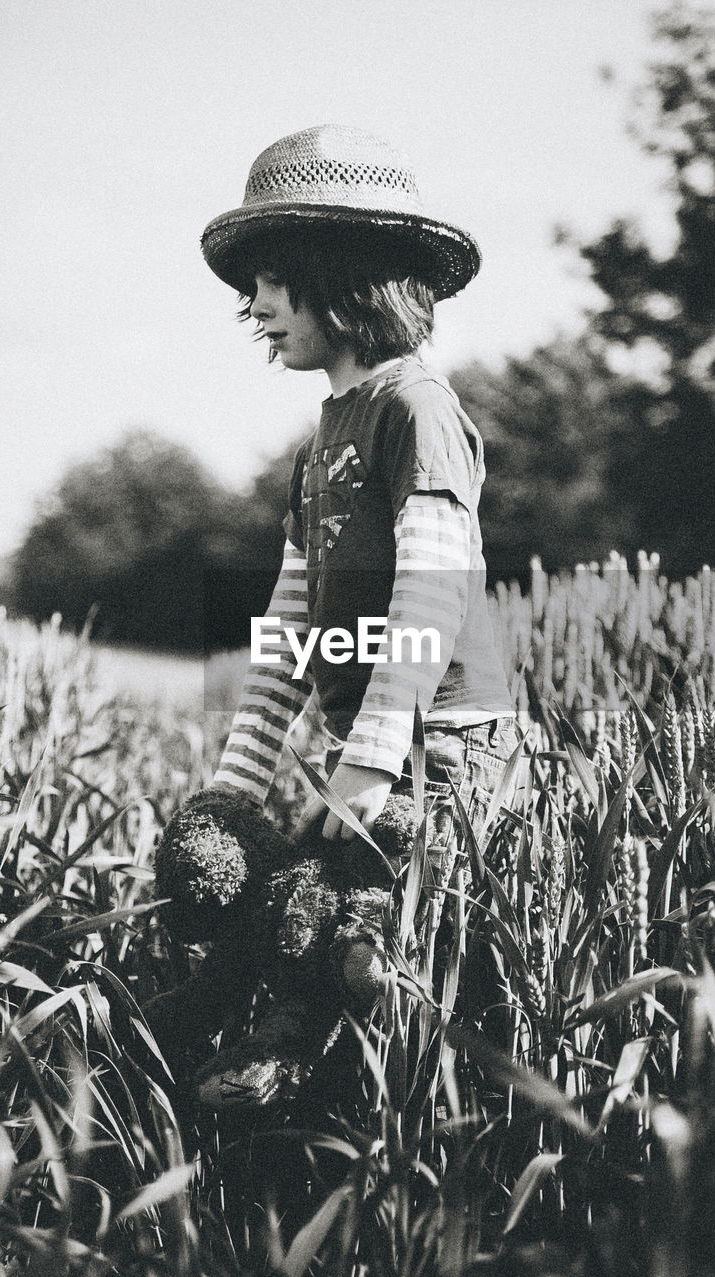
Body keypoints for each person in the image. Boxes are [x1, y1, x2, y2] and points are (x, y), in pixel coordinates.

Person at [201, 123, 516, 854]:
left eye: (271, 279)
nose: (254, 305)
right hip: (366, 746)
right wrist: (233, 788)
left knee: (381, 959)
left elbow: (430, 588)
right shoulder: (316, 448)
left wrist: (373, 759)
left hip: (443, 751)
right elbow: (288, 626)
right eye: (250, 287)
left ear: (341, 271)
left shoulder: (415, 408)